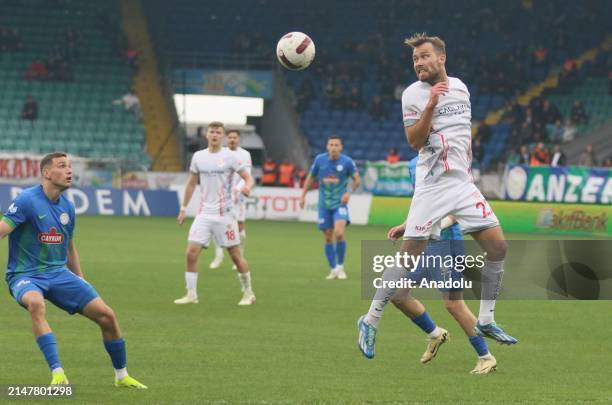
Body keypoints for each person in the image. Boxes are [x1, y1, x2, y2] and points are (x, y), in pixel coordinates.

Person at [358, 33, 517, 359]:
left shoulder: (460, 87)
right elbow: (415, 142)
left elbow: (459, 139)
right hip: (432, 189)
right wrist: (430, 104)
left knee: (498, 246)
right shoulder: (413, 95)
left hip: (462, 184)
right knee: (407, 259)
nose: (419, 63)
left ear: (441, 58)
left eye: (425, 56)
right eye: (415, 59)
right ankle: (371, 318)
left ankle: (486, 319)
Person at [0, 152, 147, 388]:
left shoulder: (67, 206)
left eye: (70, 166)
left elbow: (69, 247)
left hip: (59, 274)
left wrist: (81, 280)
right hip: (24, 275)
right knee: (36, 304)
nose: (69, 171)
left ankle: (122, 376)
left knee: (107, 316)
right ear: (46, 173)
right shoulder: (27, 200)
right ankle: (58, 374)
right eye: (62, 166)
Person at [386, 157, 497, 374]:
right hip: (424, 243)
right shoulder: (414, 164)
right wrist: (406, 226)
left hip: (447, 242)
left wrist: (432, 225)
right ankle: (435, 334)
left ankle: (486, 357)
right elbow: (423, 205)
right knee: (397, 293)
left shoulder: (452, 160)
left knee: (453, 304)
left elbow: (458, 209)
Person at [174, 122, 256, 306]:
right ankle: (191, 294)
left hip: (225, 216)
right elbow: (191, 183)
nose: (215, 135)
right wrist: (183, 208)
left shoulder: (230, 157)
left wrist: (248, 187)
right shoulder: (198, 157)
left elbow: (248, 178)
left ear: (223, 136)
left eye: (218, 132)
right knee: (191, 253)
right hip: (203, 214)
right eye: (212, 132)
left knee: (235, 255)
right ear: (207, 135)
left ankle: (248, 293)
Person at [299, 136, 361, 280]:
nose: (333, 147)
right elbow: (311, 178)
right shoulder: (320, 160)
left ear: (341, 147)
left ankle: (340, 266)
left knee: (339, 233)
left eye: (336, 145)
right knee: (328, 237)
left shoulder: (347, 162)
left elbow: (357, 180)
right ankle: (333, 269)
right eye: (331, 144)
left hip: (340, 204)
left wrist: (349, 192)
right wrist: (303, 195)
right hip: (323, 205)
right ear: (327, 146)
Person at [209, 129, 252, 271]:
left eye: (235, 137)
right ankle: (218, 256)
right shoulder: (221, 153)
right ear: (227, 139)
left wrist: (238, 189)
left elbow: (247, 175)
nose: (232, 139)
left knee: (239, 227)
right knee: (217, 225)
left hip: (238, 197)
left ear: (239, 139)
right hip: (222, 196)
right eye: (230, 137)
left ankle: (239, 257)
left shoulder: (245, 155)